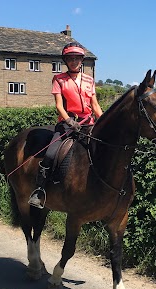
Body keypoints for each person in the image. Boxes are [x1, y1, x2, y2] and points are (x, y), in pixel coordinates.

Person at [28, 42, 103, 208]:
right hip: (68, 124)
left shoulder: (89, 80)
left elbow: (95, 106)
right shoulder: (59, 79)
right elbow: (59, 105)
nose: (74, 61)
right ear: (66, 60)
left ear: (82, 60)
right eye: (70, 58)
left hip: (88, 124)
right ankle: (40, 191)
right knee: (50, 153)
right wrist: (69, 120)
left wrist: (104, 122)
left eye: (77, 58)